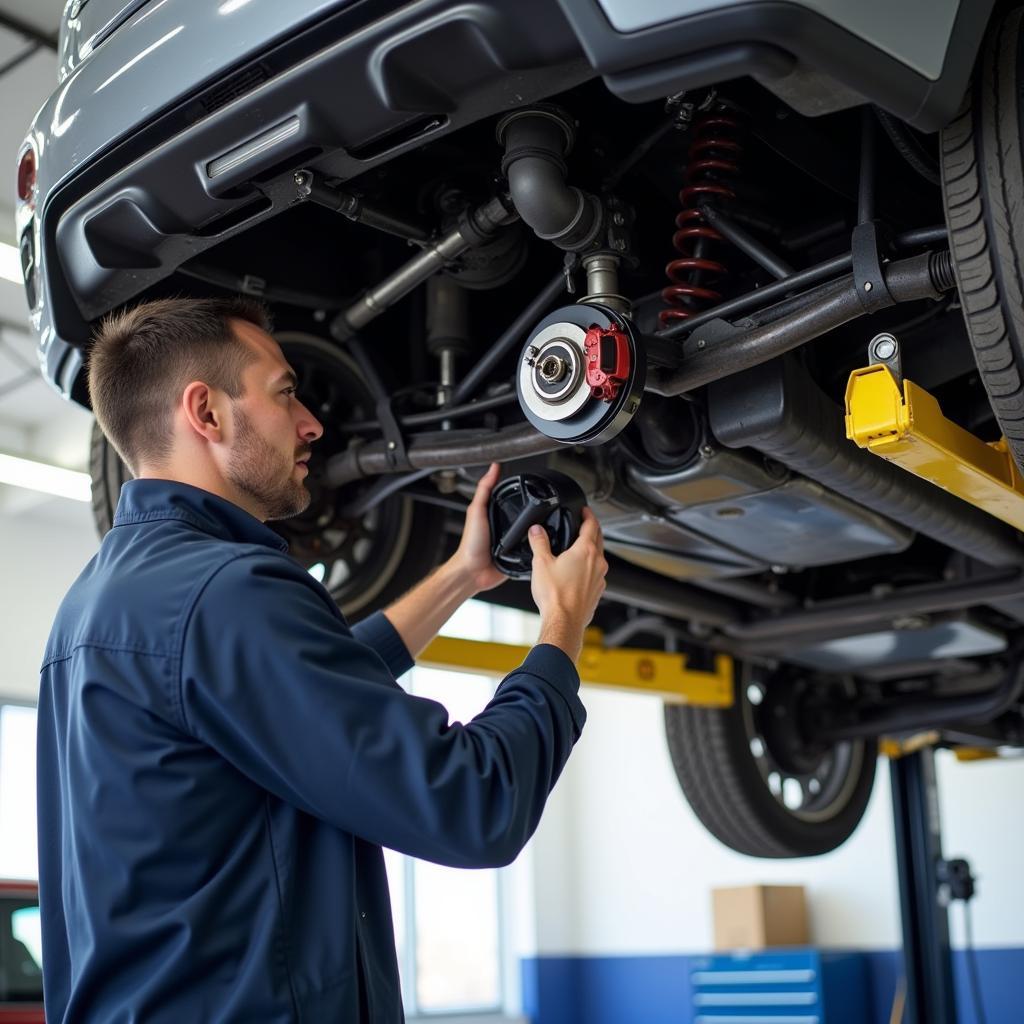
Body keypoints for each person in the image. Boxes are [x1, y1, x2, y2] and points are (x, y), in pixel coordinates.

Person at [37, 296, 607, 1023]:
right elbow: (473, 805)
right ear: (206, 414)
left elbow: (302, 692)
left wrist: (464, 575)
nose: (312, 423)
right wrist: (563, 625)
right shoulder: (226, 592)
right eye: (284, 393)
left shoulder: (95, 607)